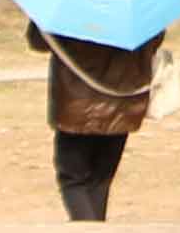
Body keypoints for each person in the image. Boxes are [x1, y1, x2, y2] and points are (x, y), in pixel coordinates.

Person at [25, 18, 166, 221]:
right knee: (100, 180)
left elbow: (38, 41)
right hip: (123, 103)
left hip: (76, 106)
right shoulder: (139, 10)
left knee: (74, 180)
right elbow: (155, 41)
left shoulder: (69, 9)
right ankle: (97, 232)